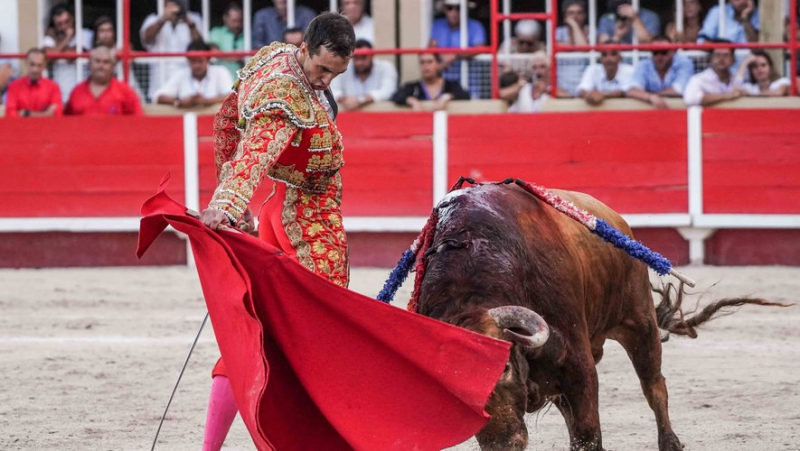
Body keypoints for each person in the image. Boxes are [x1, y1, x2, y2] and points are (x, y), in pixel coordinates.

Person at [197, 13, 355, 450]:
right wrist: (227, 204)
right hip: (308, 219)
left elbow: (227, 122)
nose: (325, 81)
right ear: (304, 48)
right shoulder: (286, 95)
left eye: (335, 74)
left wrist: (236, 204)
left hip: (274, 209)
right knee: (319, 328)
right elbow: (256, 151)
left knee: (255, 325)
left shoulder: (274, 57)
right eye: (322, 69)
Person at [139, 0, 203, 101]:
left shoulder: (194, 19)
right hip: (160, 80)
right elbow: (147, 38)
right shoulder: (153, 19)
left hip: (187, 83)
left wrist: (189, 23)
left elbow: (200, 45)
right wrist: (162, 20)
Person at [429, 0, 487, 97]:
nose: (454, 12)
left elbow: (480, 48)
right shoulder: (437, 25)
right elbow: (430, 49)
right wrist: (439, 56)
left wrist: (455, 55)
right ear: (444, 9)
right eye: (450, 8)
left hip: (469, 82)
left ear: (465, 9)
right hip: (444, 82)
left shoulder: (475, 26)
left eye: (458, 8)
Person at [64, 46, 143, 116]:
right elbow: (67, 122)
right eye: (97, 61)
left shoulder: (125, 91)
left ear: (112, 67)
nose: (101, 66)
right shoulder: (77, 92)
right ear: (90, 64)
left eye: (106, 62)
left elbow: (137, 119)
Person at [155, 40, 234, 109]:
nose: (197, 65)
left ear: (208, 59)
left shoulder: (220, 72)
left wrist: (207, 101)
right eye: (193, 61)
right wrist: (179, 102)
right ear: (188, 60)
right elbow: (159, 97)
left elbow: (233, 97)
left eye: (200, 61)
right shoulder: (180, 75)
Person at [42, 3, 94, 103]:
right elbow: (48, 57)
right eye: (60, 24)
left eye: (67, 21)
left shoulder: (85, 34)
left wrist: (63, 39)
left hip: (83, 89)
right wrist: (66, 39)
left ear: (73, 18)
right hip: (60, 90)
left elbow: (72, 55)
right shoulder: (50, 39)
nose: (64, 26)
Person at [624, 36, 694, 109]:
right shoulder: (644, 65)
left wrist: (651, 95)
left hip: (680, 112)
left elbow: (678, 90)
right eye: (655, 52)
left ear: (673, 52)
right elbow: (631, 90)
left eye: (663, 52)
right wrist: (651, 97)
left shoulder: (684, 63)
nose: (659, 56)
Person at [330, 39, 397, 111]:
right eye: (355, 58)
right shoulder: (343, 67)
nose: (359, 62)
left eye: (363, 57)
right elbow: (333, 90)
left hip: (378, 115)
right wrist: (344, 99)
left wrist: (360, 100)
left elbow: (388, 91)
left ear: (372, 56)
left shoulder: (385, 67)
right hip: (348, 115)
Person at [391, 52, 470, 111]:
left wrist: (446, 97)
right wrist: (411, 101)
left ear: (438, 64)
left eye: (429, 62)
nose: (425, 66)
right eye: (422, 62)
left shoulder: (450, 85)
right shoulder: (413, 87)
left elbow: (465, 95)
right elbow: (396, 96)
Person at [501, 51, 571, 113]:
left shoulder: (552, 88)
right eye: (534, 67)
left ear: (549, 70)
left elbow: (569, 97)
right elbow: (501, 94)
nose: (538, 71)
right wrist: (518, 86)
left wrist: (546, 91)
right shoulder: (524, 87)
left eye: (542, 67)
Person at [683, 42, 747, 106]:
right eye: (717, 55)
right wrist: (724, 96)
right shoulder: (699, 79)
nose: (721, 59)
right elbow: (690, 99)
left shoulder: (735, 79)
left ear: (733, 59)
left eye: (726, 55)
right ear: (711, 58)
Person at [5, 48, 62, 118]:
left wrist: (26, 114)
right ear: (26, 63)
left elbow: (57, 113)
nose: (35, 69)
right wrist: (44, 115)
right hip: (21, 128)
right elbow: (10, 114)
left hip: (46, 128)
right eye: (32, 64)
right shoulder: (14, 86)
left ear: (44, 66)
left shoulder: (53, 87)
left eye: (39, 65)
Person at [253, 0, 318, 49]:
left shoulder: (307, 14)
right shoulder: (262, 16)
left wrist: (302, 37)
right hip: (271, 63)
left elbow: (314, 43)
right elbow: (257, 46)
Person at [208, 2, 245, 79]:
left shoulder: (247, 35)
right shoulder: (216, 32)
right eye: (234, 21)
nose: (237, 25)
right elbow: (214, 52)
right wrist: (236, 58)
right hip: (219, 79)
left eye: (239, 21)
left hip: (242, 80)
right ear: (225, 18)